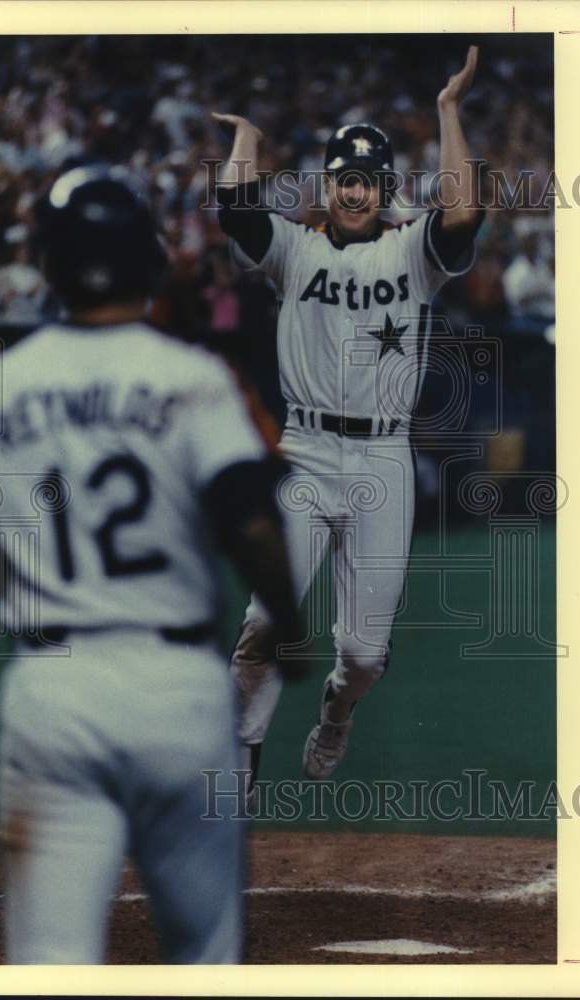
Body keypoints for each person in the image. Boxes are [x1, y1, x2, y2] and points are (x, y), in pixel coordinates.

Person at [0, 165, 308, 964]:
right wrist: (287, 625)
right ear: (149, 263)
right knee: (204, 951)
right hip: (177, 687)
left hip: (52, 689)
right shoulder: (191, 379)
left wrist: (39, 573)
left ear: (47, 268)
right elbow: (250, 522)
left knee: (49, 961)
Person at [213, 46, 485, 786]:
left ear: (383, 187)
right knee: (264, 625)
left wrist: (447, 111)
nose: (355, 193)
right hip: (303, 450)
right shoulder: (293, 250)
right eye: (343, 180)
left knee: (363, 653)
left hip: (383, 460)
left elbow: (461, 211)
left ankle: (337, 710)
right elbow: (234, 210)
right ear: (326, 185)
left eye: (367, 181)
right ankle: (235, 780)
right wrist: (248, 142)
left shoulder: (411, 253)